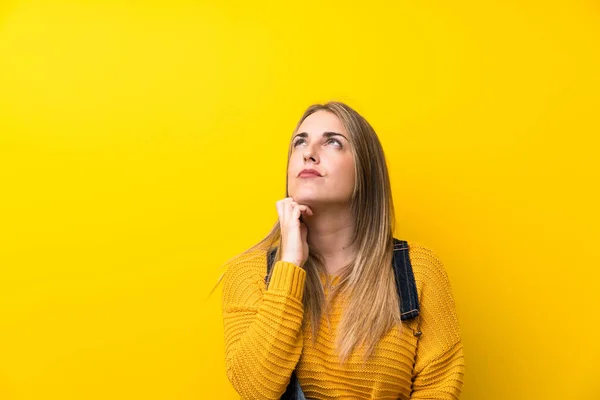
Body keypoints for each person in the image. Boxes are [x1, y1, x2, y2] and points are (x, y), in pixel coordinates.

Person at [218, 101, 465, 399]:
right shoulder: (250, 275)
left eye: (333, 142)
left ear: (365, 170)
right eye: (300, 142)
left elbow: (438, 389)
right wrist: (290, 266)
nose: (309, 153)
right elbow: (256, 390)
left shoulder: (417, 271)